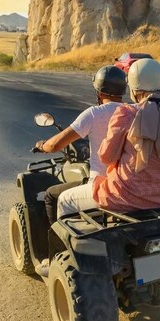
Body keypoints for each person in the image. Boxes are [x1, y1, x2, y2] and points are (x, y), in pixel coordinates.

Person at [57, 58, 160, 217]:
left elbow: (107, 157)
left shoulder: (126, 114)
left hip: (123, 197)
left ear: (133, 89)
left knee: (64, 200)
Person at [35, 65, 127, 226]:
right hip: (130, 183)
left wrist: (42, 146)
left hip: (103, 185)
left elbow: (55, 145)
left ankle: (58, 248)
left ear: (99, 91)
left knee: (51, 195)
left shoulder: (94, 114)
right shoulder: (133, 111)